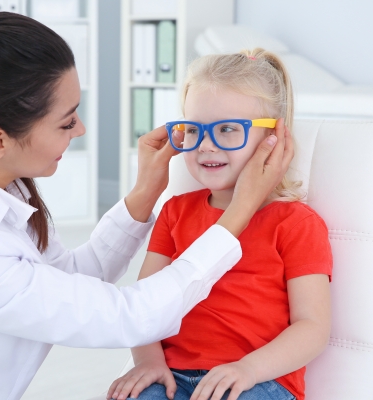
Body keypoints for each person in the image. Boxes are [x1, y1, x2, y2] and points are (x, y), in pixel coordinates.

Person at [0, 15, 294, 400]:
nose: (80, 129)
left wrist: (142, 195)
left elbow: (72, 278)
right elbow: (128, 316)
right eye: (65, 120)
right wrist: (238, 215)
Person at [106, 49, 333, 400]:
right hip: (172, 377)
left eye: (228, 129)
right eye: (194, 129)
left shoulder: (296, 223)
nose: (207, 145)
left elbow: (313, 328)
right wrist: (148, 362)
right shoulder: (175, 212)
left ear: (274, 136)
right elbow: (145, 305)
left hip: (257, 382)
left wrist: (248, 369)